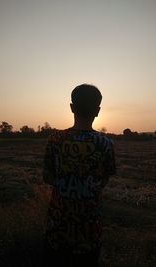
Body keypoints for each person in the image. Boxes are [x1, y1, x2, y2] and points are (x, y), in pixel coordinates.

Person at [42, 84, 116, 267]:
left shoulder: (54, 139)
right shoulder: (106, 143)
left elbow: (47, 177)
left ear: (72, 108)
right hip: (90, 229)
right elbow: (104, 180)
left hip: (58, 225)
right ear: (97, 111)